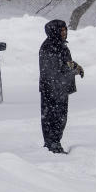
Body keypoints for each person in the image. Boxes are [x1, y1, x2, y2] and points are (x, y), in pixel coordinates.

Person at [38, 19, 84, 153]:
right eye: (62, 30)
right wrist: (72, 66)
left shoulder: (60, 45)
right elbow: (55, 68)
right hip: (51, 90)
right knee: (52, 118)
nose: (64, 33)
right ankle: (52, 145)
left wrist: (75, 68)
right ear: (55, 31)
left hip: (60, 89)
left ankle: (55, 143)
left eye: (65, 30)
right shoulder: (49, 46)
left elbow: (65, 64)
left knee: (60, 118)